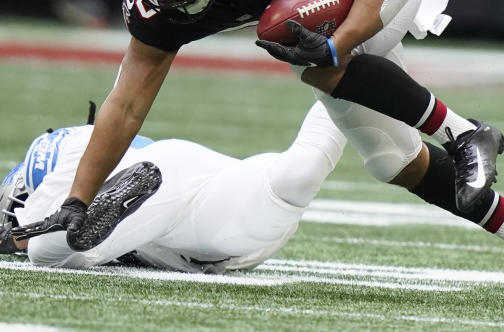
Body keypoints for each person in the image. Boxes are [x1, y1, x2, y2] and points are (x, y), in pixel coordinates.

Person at [12, 0, 504, 304]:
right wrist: (78, 200)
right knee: (392, 162)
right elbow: (125, 104)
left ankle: (467, 134)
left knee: (299, 47)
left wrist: (334, 48)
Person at [1, 102, 343, 271]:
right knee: (295, 178)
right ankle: (357, 69)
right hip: (207, 214)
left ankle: (357, 67)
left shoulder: (60, 148)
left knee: (44, 251)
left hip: (168, 188)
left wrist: (16, 236)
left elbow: (74, 151)